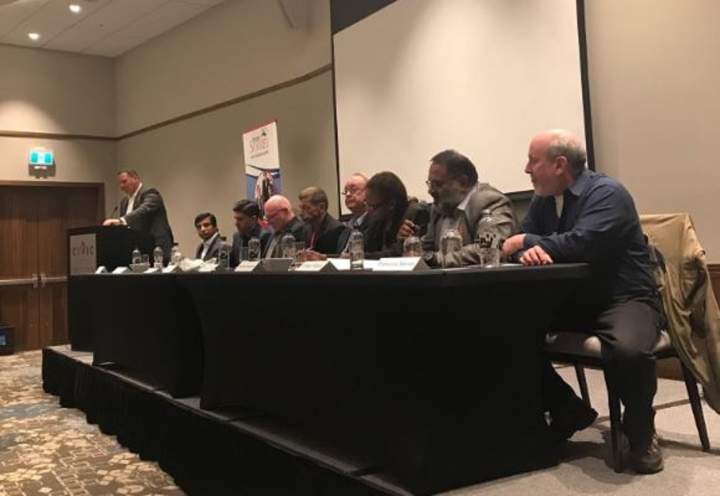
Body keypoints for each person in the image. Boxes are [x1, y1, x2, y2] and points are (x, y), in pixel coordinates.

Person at [502, 129, 663, 474]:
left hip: (624, 297)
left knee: (629, 351)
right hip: (572, 300)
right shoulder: (543, 200)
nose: (526, 169)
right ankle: (567, 409)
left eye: (533, 161)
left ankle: (640, 431)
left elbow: (584, 244)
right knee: (505, 334)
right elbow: (519, 249)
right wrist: (526, 250)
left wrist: (528, 242)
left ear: (560, 164)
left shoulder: (607, 193)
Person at [411, 149, 515, 267]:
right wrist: (408, 242)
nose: (430, 191)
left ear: (463, 182)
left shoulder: (492, 203)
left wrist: (437, 259)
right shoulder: (440, 206)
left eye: (438, 184)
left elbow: (488, 248)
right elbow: (427, 248)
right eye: (430, 183)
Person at [103, 169, 174, 259]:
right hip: (137, 250)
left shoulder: (150, 193)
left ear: (135, 178)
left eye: (124, 182)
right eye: (119, 183)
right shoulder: (124, 202)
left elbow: (143, 210)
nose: (121, 186)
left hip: (156, 247)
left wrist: (121, 221)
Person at [362, 172, 429, 259]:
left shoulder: (416, 214)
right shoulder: (376, 220)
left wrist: (361, 257)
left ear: (391, 204)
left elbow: (397, 253)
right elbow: (366, 248)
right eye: (367, 204)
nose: (369, 210)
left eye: (373, 206)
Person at [298, 187, 348, 256]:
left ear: (321, 207)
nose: (300, 213)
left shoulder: (337, 229)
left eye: (306, 208)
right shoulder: (306, 229)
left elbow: (338, 258)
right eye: (301, 208)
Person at [230, 199, 271, 266]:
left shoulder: (265, 236)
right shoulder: (236, 236)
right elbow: (232, 264)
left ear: (253, 219)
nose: (236, 223)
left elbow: (264, 266)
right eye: (235, 219)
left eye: (240, 219)